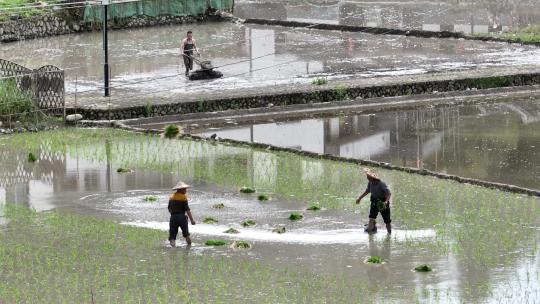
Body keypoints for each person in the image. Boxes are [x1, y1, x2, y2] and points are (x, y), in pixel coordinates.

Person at [356, 168, 392, 234]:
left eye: (368, 176)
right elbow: (367, 191)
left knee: (387, 221)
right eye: (367, 176)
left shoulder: (381, 184)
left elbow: (388, 194)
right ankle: (370, 235)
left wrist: (386, 202)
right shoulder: (370, 183)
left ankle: (389, 234)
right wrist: (359, 198)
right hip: (374, 202)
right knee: (371, 218)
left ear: (372, 177)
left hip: (383, 202)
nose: (367, 177)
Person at [168, 181, 196, 247]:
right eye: (185, 189)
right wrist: (192, 220)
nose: (186, 190)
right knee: (186, 235)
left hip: (173, 218)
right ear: (181, 190)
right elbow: (187, 210)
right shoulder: (183, 197)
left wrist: (173, 215)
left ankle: (172, 251)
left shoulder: (171, 197)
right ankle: (189, 247)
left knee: (172, 237)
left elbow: (169, 208)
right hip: (182, 218)